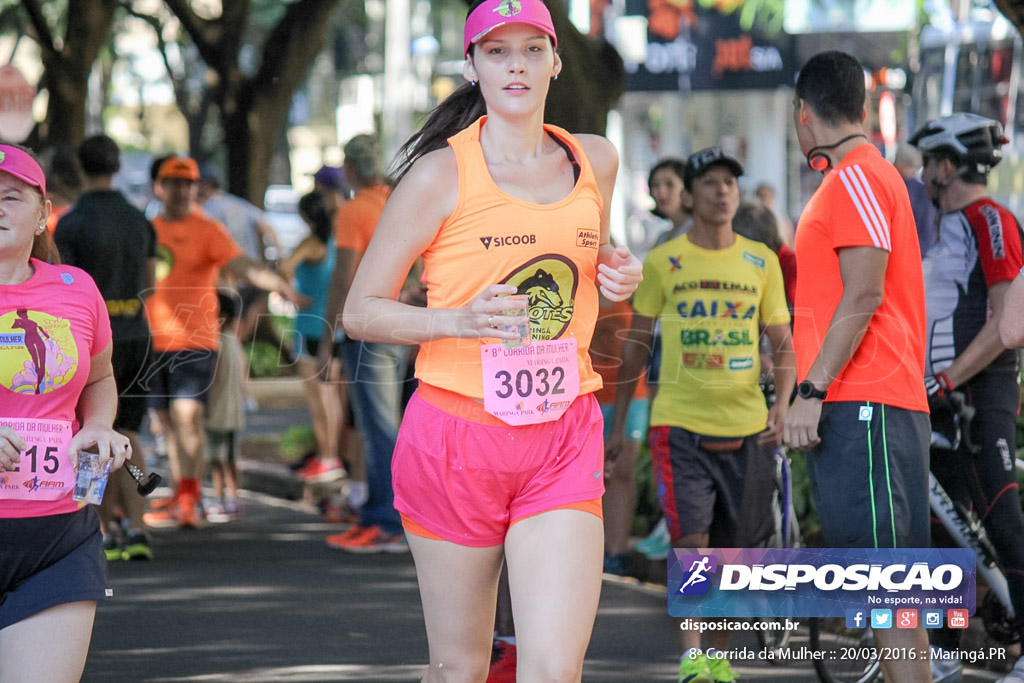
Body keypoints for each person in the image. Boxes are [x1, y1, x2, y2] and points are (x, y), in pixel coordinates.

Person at [342, 0, 643, 678]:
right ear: (472, 66)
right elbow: (361, 312)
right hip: (455, 437)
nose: (517, 65)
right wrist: (458, 320)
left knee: (553, 669)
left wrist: (618, 269)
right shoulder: (438, 175)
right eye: (498, 51)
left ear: (556, 61)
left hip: (563, 432)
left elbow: (586, 250)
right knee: (461, 668)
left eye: (532, 50)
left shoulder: (594, 158)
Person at [608, 147, 794, 683]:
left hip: (747, 428)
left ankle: (720, 658)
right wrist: (619, 427)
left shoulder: (761, 261)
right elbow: (636, 347)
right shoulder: (665, 263)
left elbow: (783, 346)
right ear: (691, 196)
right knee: (692, 543)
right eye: (709, 183)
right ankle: (694, 658)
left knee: (734, 555)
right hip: (679, 424)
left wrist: (781, 405)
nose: (722, 192)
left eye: (729, 183)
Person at [784, 51, 932, 683]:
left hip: (866, 404)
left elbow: (865, 291)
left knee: (892, 597)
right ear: (864, 106)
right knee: (888, 596)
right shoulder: (859, 177)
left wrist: (811, 389)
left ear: (804, 117)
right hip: (867, 407)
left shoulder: (856, 178)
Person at [0, 143, 132, 681]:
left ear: (43, 214)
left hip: (57, 535)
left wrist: (100, 426)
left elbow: (99, 378)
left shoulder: (76, 290)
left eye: (10, 197)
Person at [909, 113, 1024, 683]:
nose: (925, 174)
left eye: (930, 163)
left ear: (948, 165)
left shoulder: (990, 218)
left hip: (981, 390)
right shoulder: (940, 225)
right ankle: (946, 649)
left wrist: (950, 378)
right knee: (943, 526)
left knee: (1003, 520)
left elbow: (1008, 322)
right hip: (941, 395)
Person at [142, 156, 300, 528]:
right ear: (159, 187)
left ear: (196, 188)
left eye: (188, 183)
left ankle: (190, 497)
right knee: (166, 423)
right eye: (173, 182)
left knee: (188, 418)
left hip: (196, 340)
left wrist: (277, 283)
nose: (181, 190)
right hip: (153, 340)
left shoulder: (207, 229)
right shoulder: (147, 230)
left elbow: (242, 264)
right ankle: (182, 492)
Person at [55, 134, 158, 561]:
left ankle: (97, 529)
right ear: (117, 166)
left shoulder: (73, 222)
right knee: (128, 431)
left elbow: (66, 287)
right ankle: (136, 527)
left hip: (92, 344)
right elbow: (151, 281)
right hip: (137, 336)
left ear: (81, 166)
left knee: (93, 435)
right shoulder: (140, 220)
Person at [321, 134, 409, 553]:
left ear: (350, 170)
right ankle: (380, 513)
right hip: (404, 326)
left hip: (369, 327)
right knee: (384, 425)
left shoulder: (354, 209)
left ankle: (385, 520)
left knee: (379, 428)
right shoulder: (399, 201)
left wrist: (327, 336)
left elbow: (343, 278)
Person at [280, 191, 346, 485]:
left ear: (305, 216)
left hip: (309, 327)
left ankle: (327, 458)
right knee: (333, 396)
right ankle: (332, 456)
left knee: (318, 399)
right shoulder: (339, 242)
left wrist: (291, 294)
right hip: (335, 327)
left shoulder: (310, 242)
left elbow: (283, 268)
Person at [590, 292, 649, 577]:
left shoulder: (630, 290)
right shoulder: (578, 286)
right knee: (594, 476)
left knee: (623, 472)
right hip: (591, 396)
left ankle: (618, 550)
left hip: (631, 396)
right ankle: (594, 548)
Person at [204, 292, 245, 522]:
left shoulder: (216, 341)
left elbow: (214, 376)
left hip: (217, 411)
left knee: (216, 458)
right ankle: (233, 498)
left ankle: (220, 499)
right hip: (233, 409)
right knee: (229, 457)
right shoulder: (233, 340)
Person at [894, 142, 938, 257]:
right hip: (927, 254)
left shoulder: (897, 188)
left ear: (900, 166)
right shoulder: (927, 190)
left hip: (904, 257)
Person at [649, 158, 692, 247]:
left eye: (669, 184)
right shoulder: (662, 238)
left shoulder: (698, 234)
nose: (661, 192)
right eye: (655, 185)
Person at [754, 182, 795, 248]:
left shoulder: (783, 220)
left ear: (773, 197)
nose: (765, 199)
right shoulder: (752, 220)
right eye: (761, 196)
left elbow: (790, 242)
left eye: (768, 195)